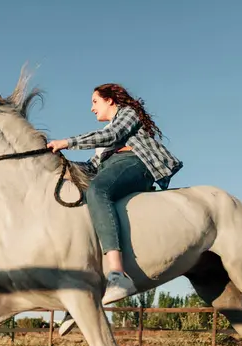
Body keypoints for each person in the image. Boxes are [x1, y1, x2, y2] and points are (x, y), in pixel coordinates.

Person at [47, 83, 182, 306]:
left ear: (110, 100)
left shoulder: (128, 114)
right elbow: (91, 166)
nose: (92, 108)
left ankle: (118, 275)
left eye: (94, 102)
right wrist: (58, 164)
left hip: (136, 163)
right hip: (110, 169)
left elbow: (113, 135)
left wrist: (67, 142)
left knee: (98, 190)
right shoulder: (103, 142)